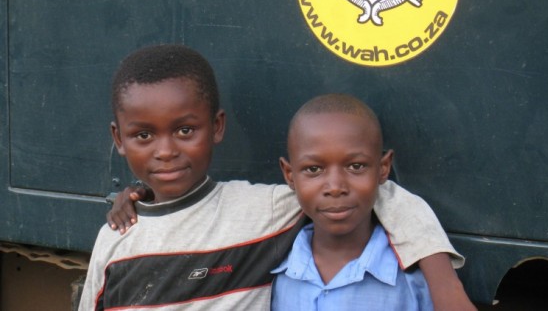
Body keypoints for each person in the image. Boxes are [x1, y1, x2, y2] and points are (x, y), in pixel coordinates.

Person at [80, 44, 474, 310]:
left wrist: (445, 285)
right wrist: (138, 192)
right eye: (143, 136)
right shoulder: (116, 239)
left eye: (185, 130)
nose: (165, 151)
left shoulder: (262, 211)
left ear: (217, 127)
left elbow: (382, 193)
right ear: (119, 139)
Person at [272, 93, 433, 310]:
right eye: (314, 169)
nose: (335, 187)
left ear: (383, 168)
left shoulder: (417, 282)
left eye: (356, 166)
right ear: (290, 175)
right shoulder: (272, 274)